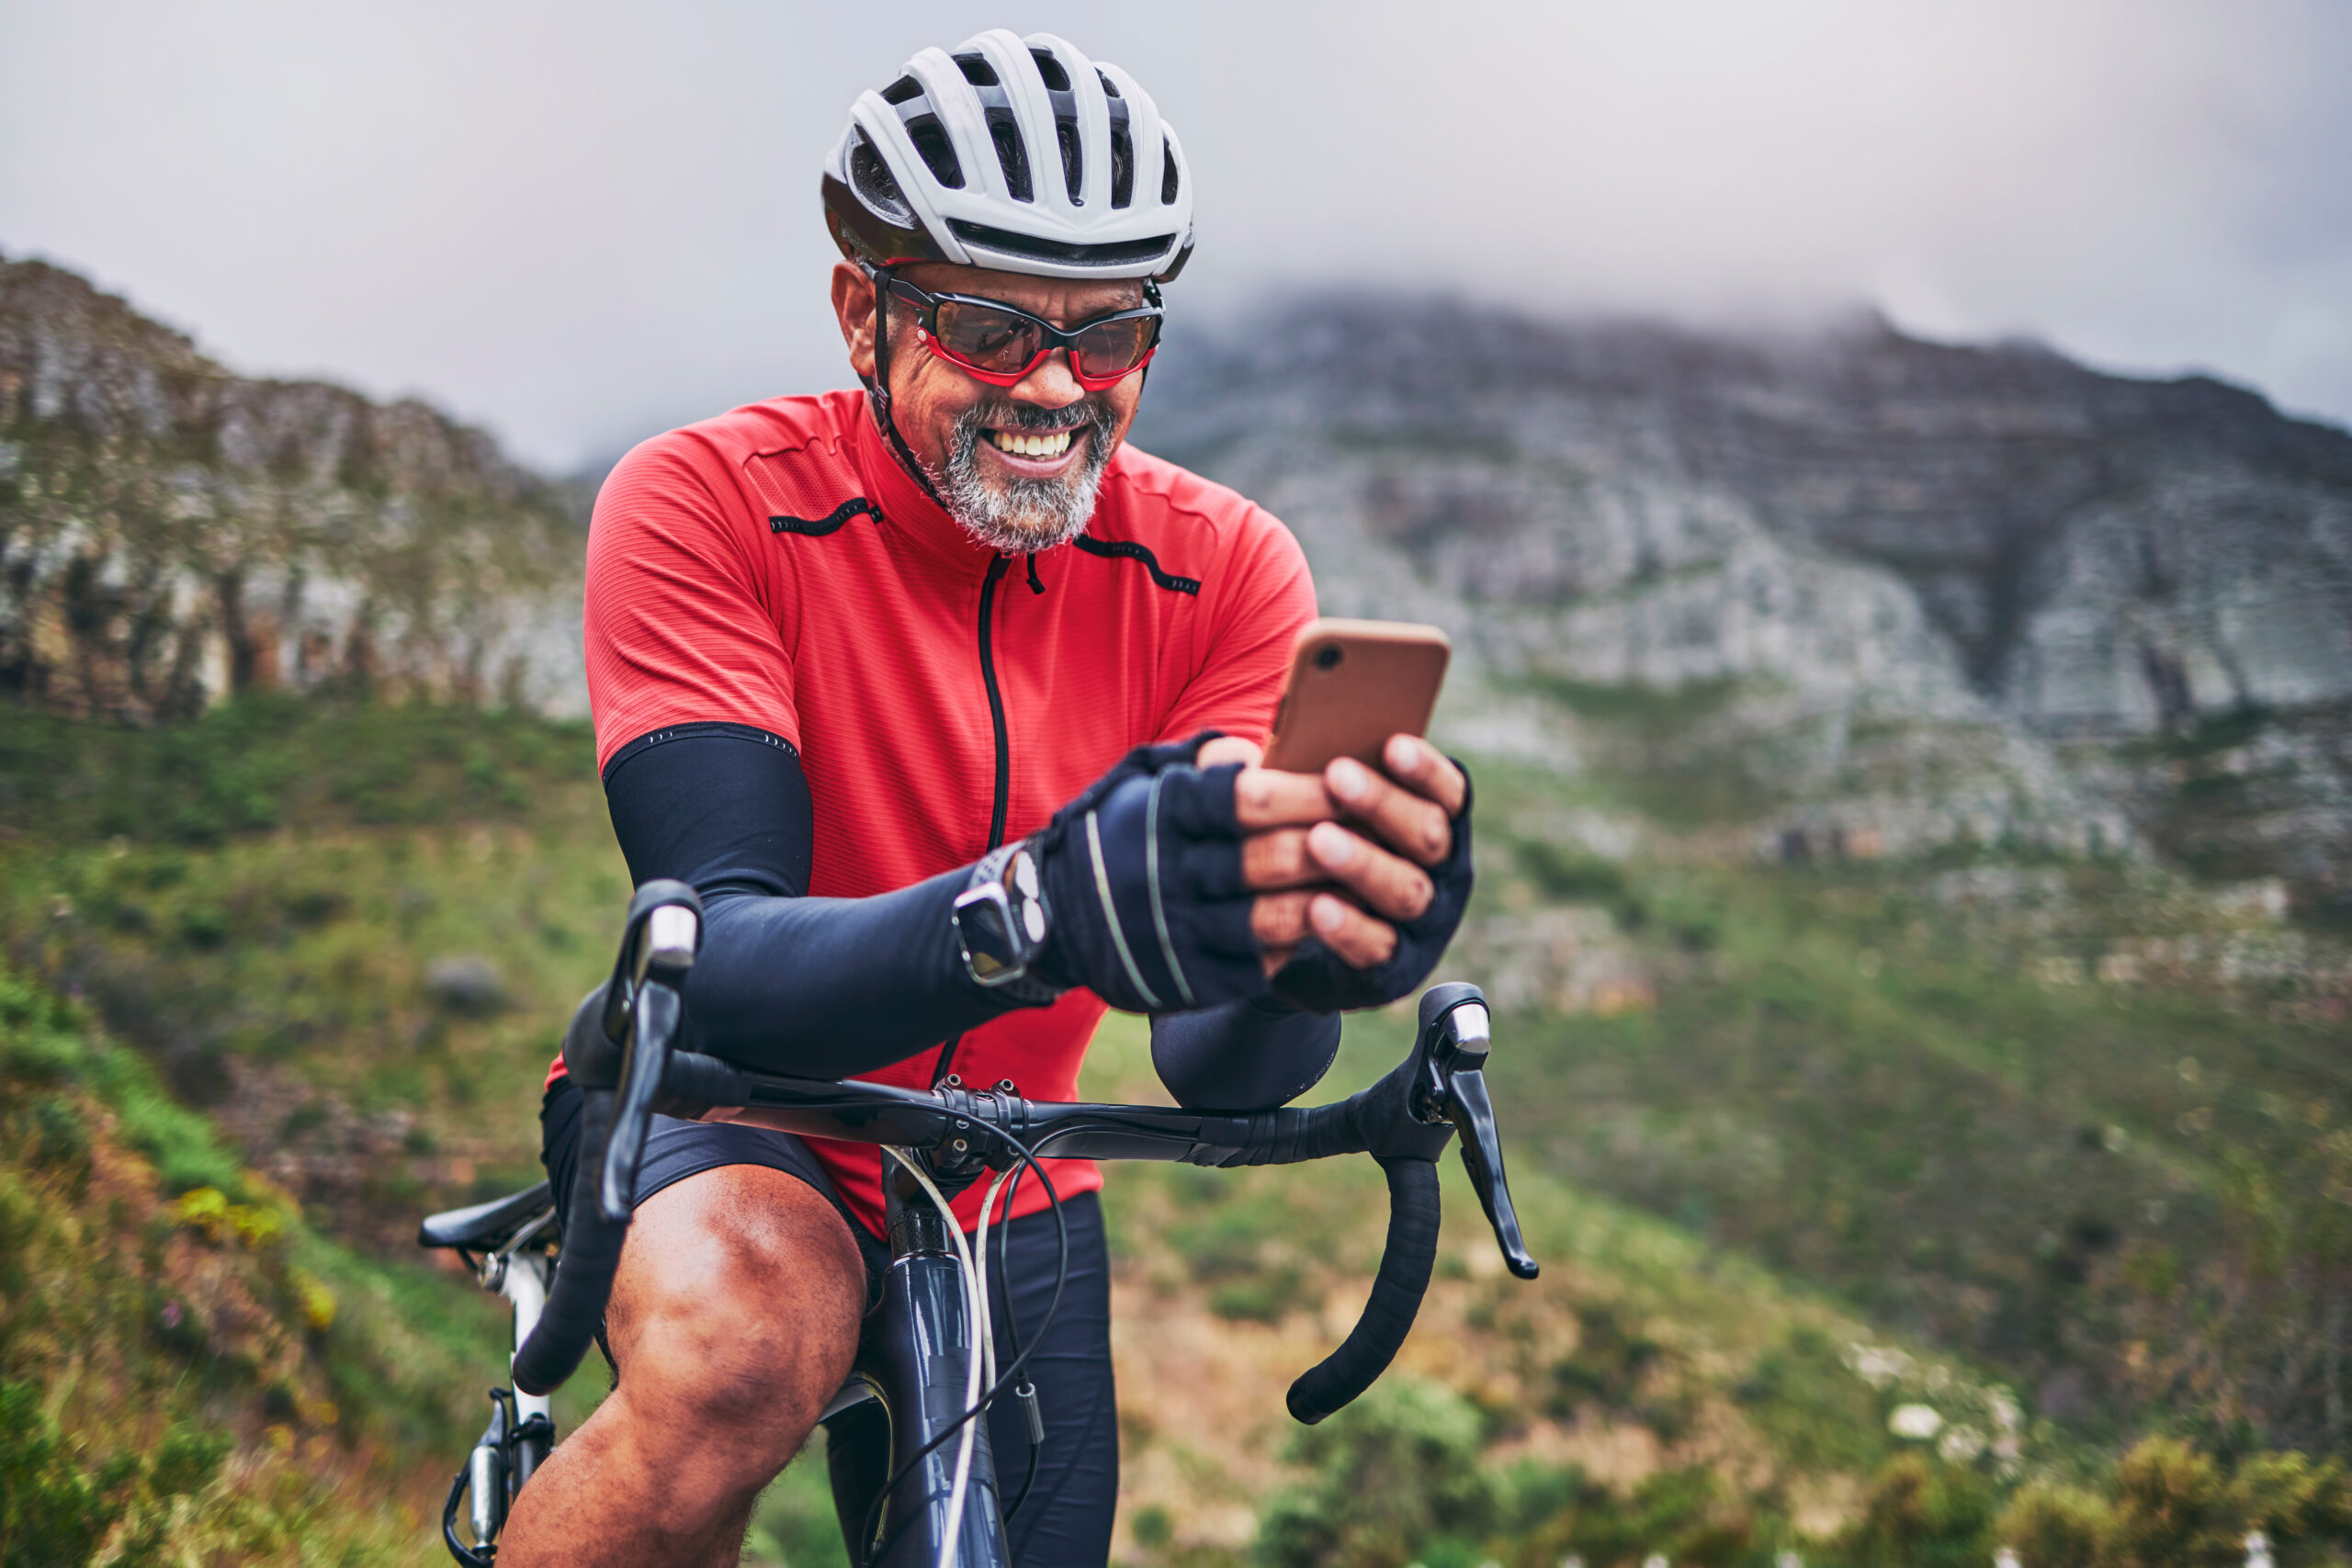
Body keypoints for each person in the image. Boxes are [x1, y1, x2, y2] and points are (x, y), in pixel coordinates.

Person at [501, 29, 1473, 1568]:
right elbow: (724, 955)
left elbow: (1225, 1071)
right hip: (732, 1113)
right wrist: (1036, 911)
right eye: (991, 328)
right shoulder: (704, 502)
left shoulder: (1226, 573)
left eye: (1110, 339)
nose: (1055, 391)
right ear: (859, 310)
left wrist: (1312, 952)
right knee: (739, 1353)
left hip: (1016, 1166)